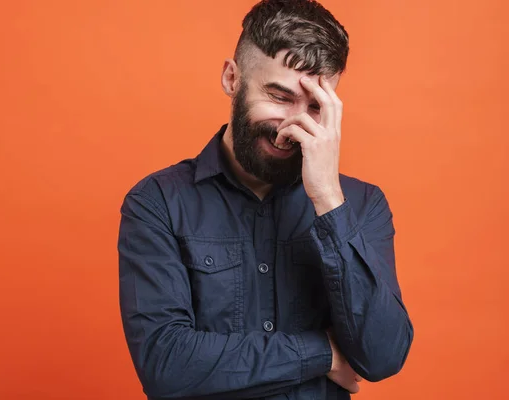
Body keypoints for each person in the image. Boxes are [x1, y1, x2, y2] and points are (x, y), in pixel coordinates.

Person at [118, 0, 413, 398]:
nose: (293, 125)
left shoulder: (361, 205)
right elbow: (166, 365)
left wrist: (327, 198)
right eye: (278, 96)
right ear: (231, 79)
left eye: (314, 107)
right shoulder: (157, 202)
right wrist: (323, 352)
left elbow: (382, 356)